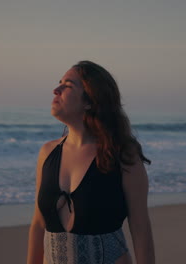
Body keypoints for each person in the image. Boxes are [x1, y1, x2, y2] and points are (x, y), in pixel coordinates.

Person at [27, 60, 155, 264]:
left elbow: (140, 230)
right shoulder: (48, 152)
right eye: (59, 83)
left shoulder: (123, 155)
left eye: (67, 85)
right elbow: (38, 224)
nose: (56, 90)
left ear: (90, 101)